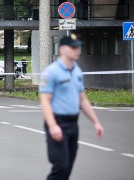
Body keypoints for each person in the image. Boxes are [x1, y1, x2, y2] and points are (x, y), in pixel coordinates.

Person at [39, 34, 104, 180]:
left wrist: (96, 122)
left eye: (78, 46)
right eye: (73, 47)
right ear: (62, 49)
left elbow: (82, 100)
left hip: (73, 124)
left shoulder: (77, 71)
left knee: (67, 167)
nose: (77, 50)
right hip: (58, 123)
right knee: (60, 166)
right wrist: (53, 125)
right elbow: (45, 100)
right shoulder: (51, 72)